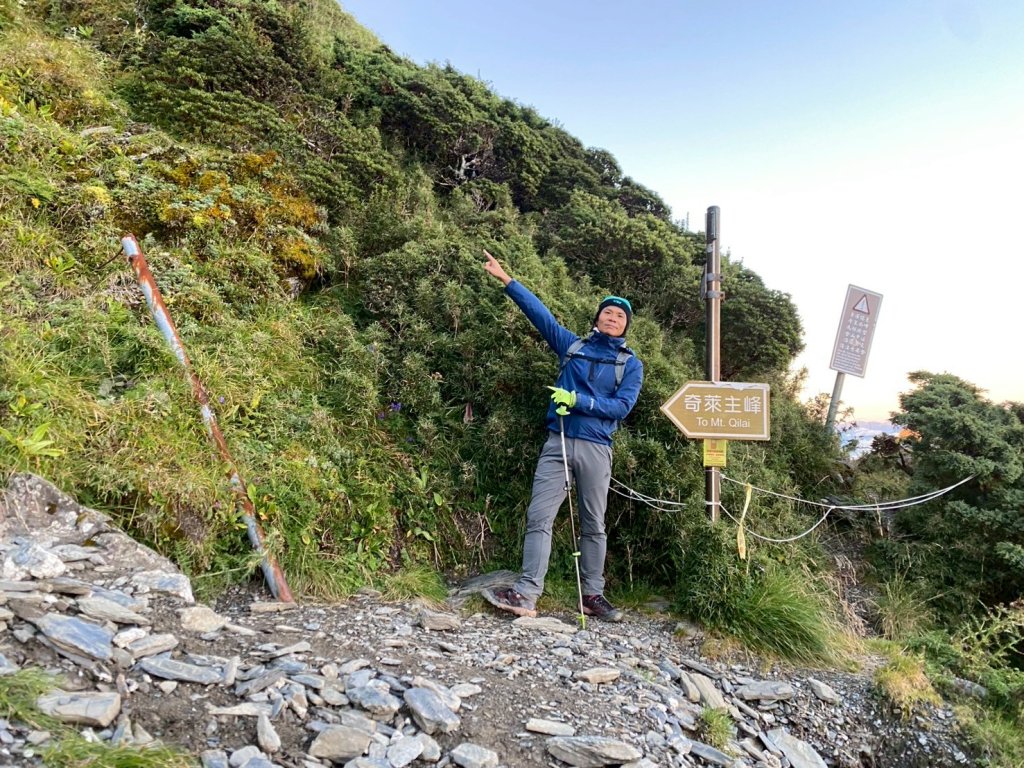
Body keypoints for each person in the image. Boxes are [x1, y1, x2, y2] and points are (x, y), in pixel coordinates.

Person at [481, 249, 643, 621]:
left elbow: (621, 407)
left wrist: (578, 399)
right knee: (539, 516)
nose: (613, 318)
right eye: (607, 312)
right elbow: (539, 314)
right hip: (559, 443)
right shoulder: (571, 346)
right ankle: (525, 593)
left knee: (594, 524)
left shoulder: (630, 364)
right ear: (597, 319)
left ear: (625, 325)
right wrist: (507, 279)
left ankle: (592, 595)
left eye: (620, 315)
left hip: (597, 448)